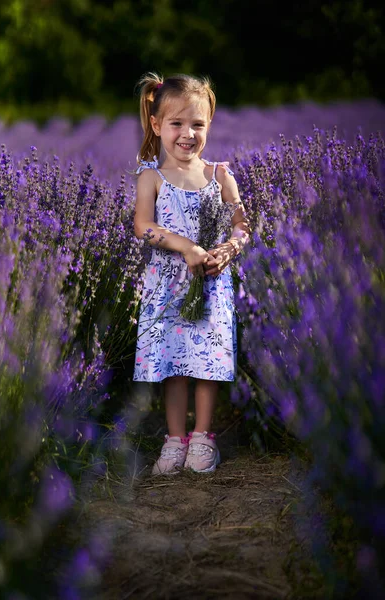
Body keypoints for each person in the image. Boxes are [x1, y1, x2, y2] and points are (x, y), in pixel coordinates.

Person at [132, 72, 249, 475]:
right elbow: (142, 227)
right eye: (176, 124)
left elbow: (242, 224)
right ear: (156, 125)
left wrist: (229, 250)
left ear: (209, 126)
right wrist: (186, 246)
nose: (187, 134)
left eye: (197, 124)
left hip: (211, 284)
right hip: (168, 285)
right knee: (175, 366)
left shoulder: (220, 174)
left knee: (205, 364)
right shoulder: (151, 177)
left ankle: (202, 436)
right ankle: (175, 439)